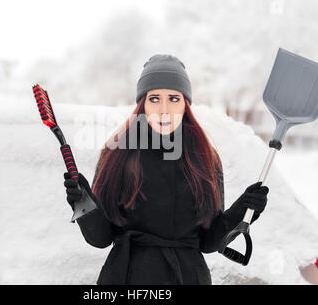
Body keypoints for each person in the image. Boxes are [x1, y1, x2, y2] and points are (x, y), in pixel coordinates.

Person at [63, 54, 269, 285]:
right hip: (127, 277)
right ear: (142, 104)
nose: (163, 109)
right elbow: (100, 238)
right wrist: (83, 203)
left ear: (185, 104)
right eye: (154, 99)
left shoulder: (205, 158)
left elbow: (209, 241)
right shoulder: (117, 154)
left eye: (173, 98)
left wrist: (244, 209)